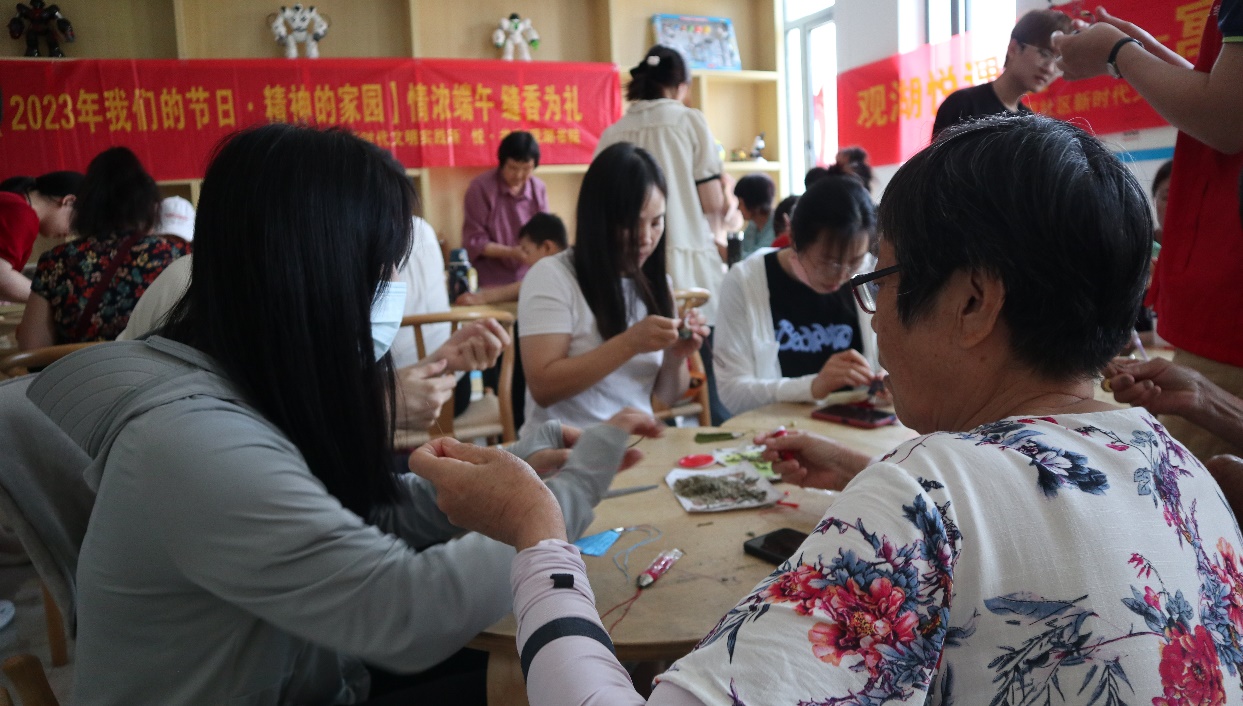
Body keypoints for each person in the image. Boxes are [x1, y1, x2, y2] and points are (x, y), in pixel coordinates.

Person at [408, 114, 1243, 705]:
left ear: (972, 302)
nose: (871, 315)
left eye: (878, 279)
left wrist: (538, 536)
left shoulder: (927, 496)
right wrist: (862, 474)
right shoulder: (1183, 472)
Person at [20, 123, 652, 705]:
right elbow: (405, 612)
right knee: (527, 681)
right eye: (383, 270)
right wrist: (554, 506)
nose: (391, 290)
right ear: (315, 274)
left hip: (314, 672)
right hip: (312, 677)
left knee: (516, 668)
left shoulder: (246, 388)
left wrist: (518, 467)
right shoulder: (193, 444)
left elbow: (369, 513)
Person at [1054, 1, 1243, 462]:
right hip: (1217, 299)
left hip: (1229, 303)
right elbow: (1223, 92)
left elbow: (1227, 116)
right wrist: (1135, 49)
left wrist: (1118, 52)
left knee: (1200, 487)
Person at [518, 142, 708, 436]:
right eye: (632, 224)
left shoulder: (658, 283)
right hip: (565, 449)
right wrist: (629, 343)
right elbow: (543, 388)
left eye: (656, 222)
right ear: (599, 219)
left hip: (633, 446)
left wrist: (675, 355)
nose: (646, 238)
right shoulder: (552, 276)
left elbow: (667, 396)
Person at [595, 44, 733, 424]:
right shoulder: (688, 121)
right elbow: (711, 201)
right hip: (689, 268)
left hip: (629, 272)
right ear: (680, 85)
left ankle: (657, 429)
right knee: (705, 362)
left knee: (643, 367)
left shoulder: (612, 132)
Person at [715, 175, 879, 417]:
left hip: (860, 426)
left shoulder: (869, 273)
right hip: (776, 430)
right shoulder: (745, 281)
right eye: (830, 262)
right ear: (793, 238)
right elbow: (732, 393)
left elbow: (890, 364)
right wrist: (812, 387)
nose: (842, 275)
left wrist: (889, 383)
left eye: (854, 261)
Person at [16, 147, 187, 348]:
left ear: (85, 206)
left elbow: (32, 345)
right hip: (152, 368)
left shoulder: (56, 261)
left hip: (80, 368)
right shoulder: (174, 255)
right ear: (147, 205)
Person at [932, 10, 1072, 138]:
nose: (1050, 69)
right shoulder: (963, 104)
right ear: (1014, 48)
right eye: (1044, 54)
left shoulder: (1030, 123)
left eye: (1058, 60)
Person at [461, 130, 548, 289]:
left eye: (527, 169)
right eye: (513, 168)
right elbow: (474, 241)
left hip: (529, 277)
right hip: (491, 280)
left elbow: (544, 234)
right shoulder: (480, 188)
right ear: (502, 163)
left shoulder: (539, 188)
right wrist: (511, 252)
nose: (519, 175)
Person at [0, 171, 81, 303]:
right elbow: (1, 277)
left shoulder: (15, 206)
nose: (72, 233)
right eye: (77, 224)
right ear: (69, 201)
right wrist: (57, 298)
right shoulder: (21, 212)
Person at [455, 212, 568, 306]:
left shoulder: (562, 271)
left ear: (547, 247)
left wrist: (484, 297)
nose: (524, 259)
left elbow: (529, 285)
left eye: (527, 251)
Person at [732, 174, 775, 259]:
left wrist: (728, 253)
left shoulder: (777, 227)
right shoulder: (752, 226)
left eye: (740, 203)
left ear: (752, 203)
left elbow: (759, 259)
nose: (738, 208)